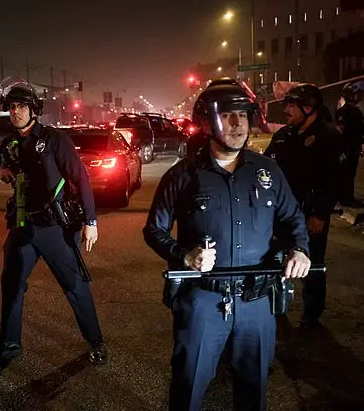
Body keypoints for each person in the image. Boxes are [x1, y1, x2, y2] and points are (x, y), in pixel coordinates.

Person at [144, 83, 311, 411]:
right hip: (203, 302)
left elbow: (294, 220)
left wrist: (300, 249)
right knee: (188, 388)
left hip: (257, 302)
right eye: (227, 115)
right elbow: (154, 230)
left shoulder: (268, 172)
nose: (238, 124)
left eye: (243, 115)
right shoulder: (183, 176)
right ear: (207, 123)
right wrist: (184, 255)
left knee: (254, 391)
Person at [0, 77, 107, 365]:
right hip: (22, 228)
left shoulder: (53, 140)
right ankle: (9, 344)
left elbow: (79, 178)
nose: (16, 112)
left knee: (74, 287)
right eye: (11, 107)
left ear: (34, 109)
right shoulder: (8, 144)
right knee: (11, 285)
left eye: (22, 106)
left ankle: (95, 342)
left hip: (55, 230)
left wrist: (91, 221)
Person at [264, 84, 342, 328]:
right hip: (282, 212)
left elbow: (333, 180)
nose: (286, 110)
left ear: (308, 107)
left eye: (291, 104)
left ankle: (312, 312)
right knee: (275, 259)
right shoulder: (285, 135)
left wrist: (320, 213)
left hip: (311, 213)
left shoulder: (327, 136)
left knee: (312, 261)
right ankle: (276, 307)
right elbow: (266, 165)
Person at [335, 81, 364, 208]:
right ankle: (345, 199)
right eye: (357, 94)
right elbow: (340, 131)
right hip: (346, 148)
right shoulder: (344, 112)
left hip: (354, 147)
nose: (360, 96)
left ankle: (347, 197)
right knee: (345, 173)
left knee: (350, 172)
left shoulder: (356, 112)